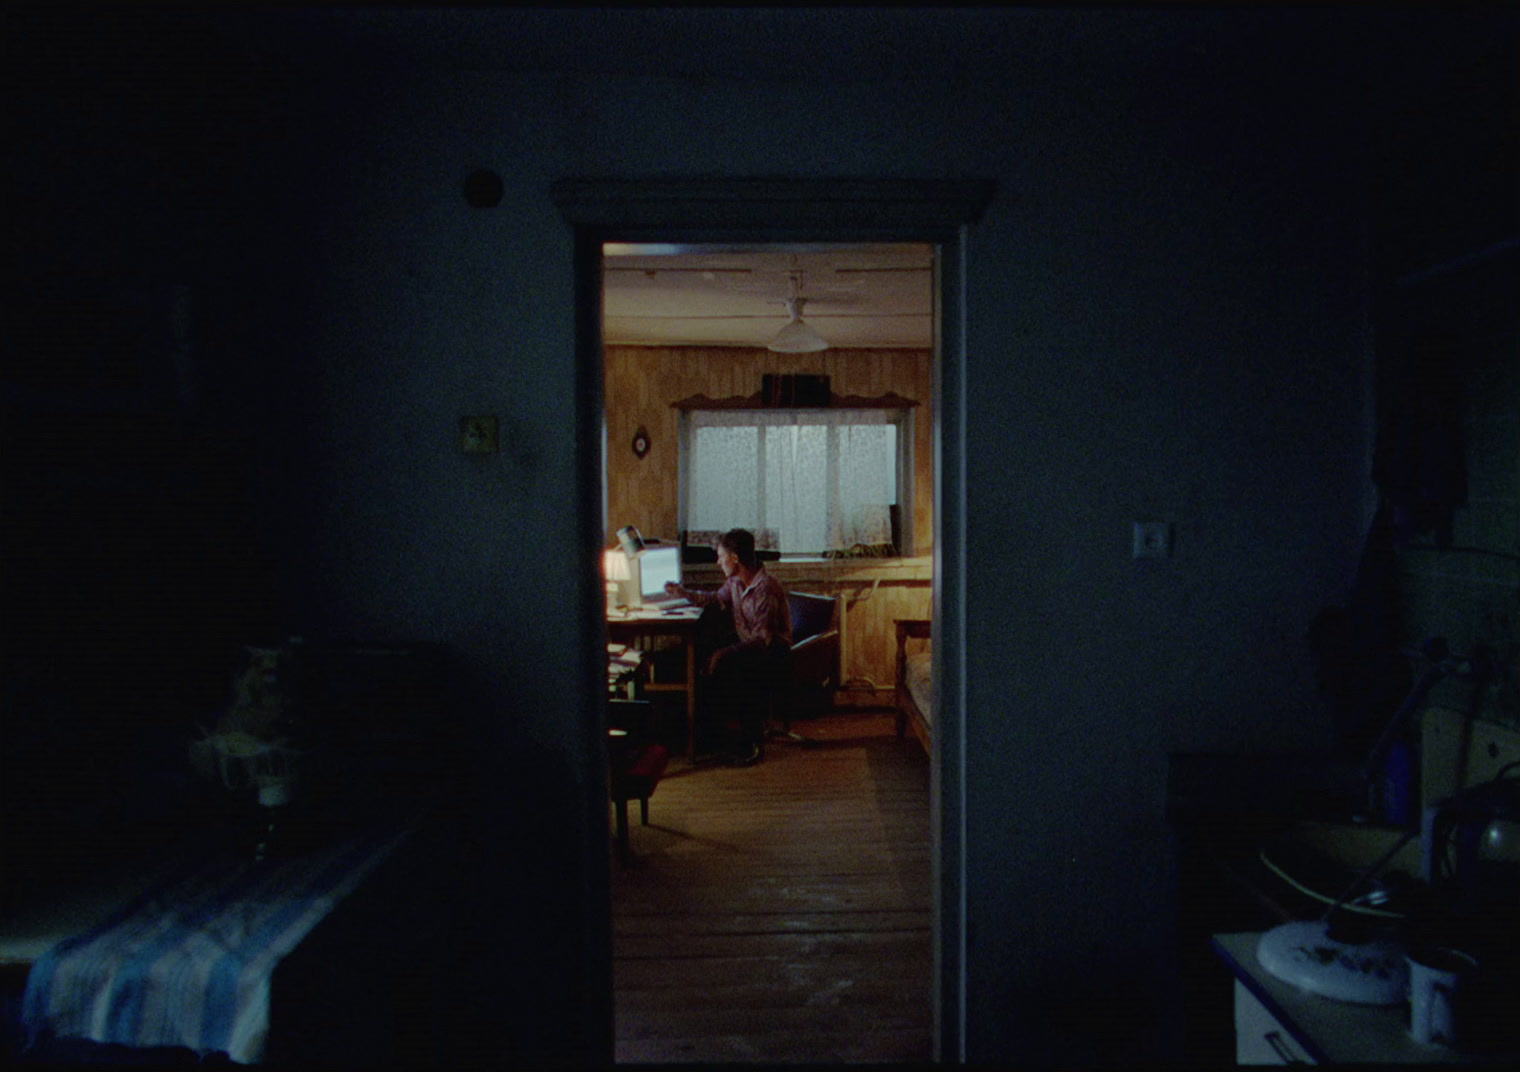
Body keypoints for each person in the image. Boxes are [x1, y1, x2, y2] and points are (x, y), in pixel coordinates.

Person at [665, 528, 791, 765]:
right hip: (750, 646)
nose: (718, 561)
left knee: (728, 667)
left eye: (721, 556)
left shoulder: (765, 587)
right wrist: (681, 592)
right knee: (706, 659)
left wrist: (724, 653)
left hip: (773, 651)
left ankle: (749, 744)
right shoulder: (735, 581)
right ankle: (719, 737)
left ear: (734, 559)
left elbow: (762, 638)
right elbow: (714, 598)